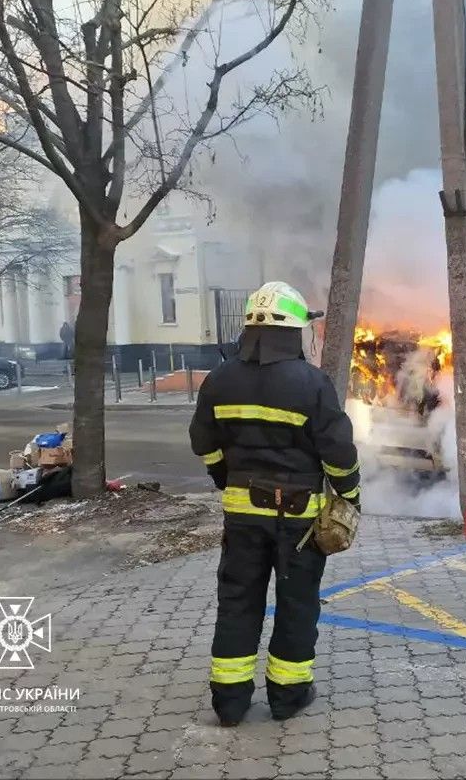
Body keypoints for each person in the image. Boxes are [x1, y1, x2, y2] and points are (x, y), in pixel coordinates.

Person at [189, 281, 361, 727]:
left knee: (238, 599)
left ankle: (229, 701)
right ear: (292, 330)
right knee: (296, 603)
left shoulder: (220, 379)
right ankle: (287, 696)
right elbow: (339, 453)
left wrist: (223, 476)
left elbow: (202, 441)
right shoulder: (311, 383)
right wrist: (350, 495)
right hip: (299, 521)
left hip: (242, 513)